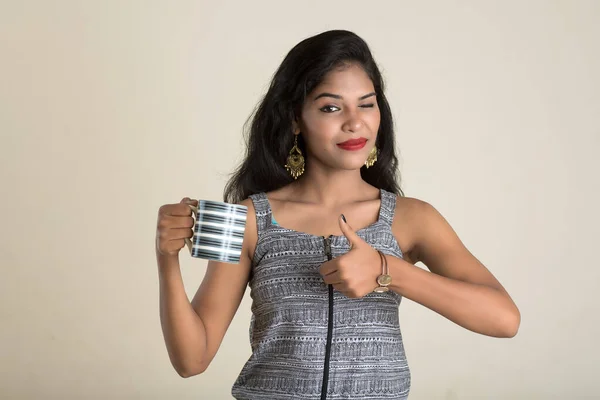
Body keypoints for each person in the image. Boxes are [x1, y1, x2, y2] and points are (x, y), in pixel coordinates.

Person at [155, 30, 520, 400]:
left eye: (366, 104)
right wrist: (167, 259)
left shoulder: (412, 218)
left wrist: (386, 270)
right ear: (296, 119)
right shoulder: (249, 219)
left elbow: (504, 319)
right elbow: (191, 360)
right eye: (331, 107)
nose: (354, 122)